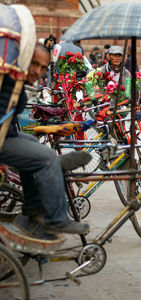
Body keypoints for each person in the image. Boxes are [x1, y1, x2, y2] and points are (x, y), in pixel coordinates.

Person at [0, 43, 89, 237]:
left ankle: (33, 206)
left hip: (7, 134)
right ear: (23, 59)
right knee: (47, 156)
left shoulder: (15, 80)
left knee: (32, 144)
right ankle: (56, 219)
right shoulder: (8, 79)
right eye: (34, 64)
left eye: (42, 68)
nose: (37, 71)